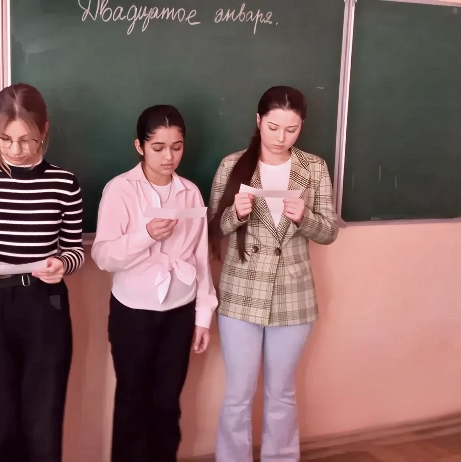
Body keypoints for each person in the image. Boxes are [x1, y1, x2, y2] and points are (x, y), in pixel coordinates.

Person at [0, 82, 84, 462]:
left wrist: (63, 264)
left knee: (42, 418)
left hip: (45, 302)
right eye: (5, 139)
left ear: (44, 130)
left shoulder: (64, 183)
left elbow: (75, 249)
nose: (15, 149)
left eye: (26, 140)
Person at [208, 86, 339, 461]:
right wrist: (236, 214)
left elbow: (329, 232)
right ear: (258, 121)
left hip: (293, 295)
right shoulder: (233, 165)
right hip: (240, 292)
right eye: (273, 127)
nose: (281, 137)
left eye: (291, 129)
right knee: (238, 393)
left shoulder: (313, 168)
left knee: (281, 392)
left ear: (301, 127)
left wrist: (305, 219)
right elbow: (212, 227)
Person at [91, 104, 218, 462]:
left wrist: (202, 316)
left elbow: (200, 257)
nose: (168, 157)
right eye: (158, 148)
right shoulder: (120, 190)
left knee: (167, 406)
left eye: (176, 147)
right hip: (133, 312)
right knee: (132, 405)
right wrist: (146, 235)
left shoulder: (190, 193)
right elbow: (103, 256)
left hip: (179, 312)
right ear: (140, 146)